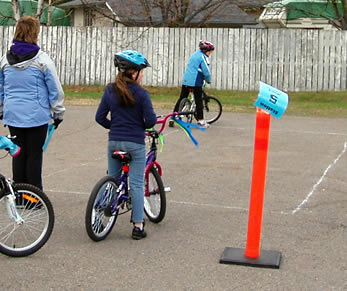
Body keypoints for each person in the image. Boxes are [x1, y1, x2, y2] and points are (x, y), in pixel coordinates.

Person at [95, 50, 157, 240]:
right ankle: (138, 226)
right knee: (137, 184)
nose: (143, 75)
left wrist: (113, 126)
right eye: (141, 71)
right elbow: (150, 121)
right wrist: (140, 125)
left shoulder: (110, 90)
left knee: (112, 178)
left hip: (114, 141)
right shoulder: (142, 94)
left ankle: (97, 213)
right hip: (135, 143)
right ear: (133, 72)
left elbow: (99, 117)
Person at [0, 16, 65, 190]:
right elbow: (55, 88)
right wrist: (58, 112)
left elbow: (1, 87)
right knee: (34, 156)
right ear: (35, 33)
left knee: (18, 154)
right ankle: (34, 195)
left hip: (13, 115)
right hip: (36, 116)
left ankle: (18, 193)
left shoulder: (5, 60)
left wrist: (2, 108)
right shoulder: (42, 60)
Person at [170, 40, 215, 129]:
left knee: (182, 98)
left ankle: (173, 117)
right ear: (206, 51)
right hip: (196, 82)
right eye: (210, 52)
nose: (210, 54)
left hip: (186, 80)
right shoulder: (203, 57)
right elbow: (206, 71)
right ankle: (200, 120)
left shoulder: (194, 55)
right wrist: (208, 80)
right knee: (198, 100)